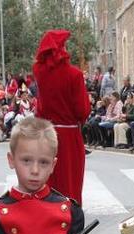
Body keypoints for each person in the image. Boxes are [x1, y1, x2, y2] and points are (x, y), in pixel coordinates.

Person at [33, 30, 91, 204]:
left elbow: (40, 105)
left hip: (46, 134)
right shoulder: (74, 74)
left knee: (48, 177)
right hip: (69, 135)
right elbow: (82, 110)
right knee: (70, 179)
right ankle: (69, 215)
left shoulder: (39, 72)